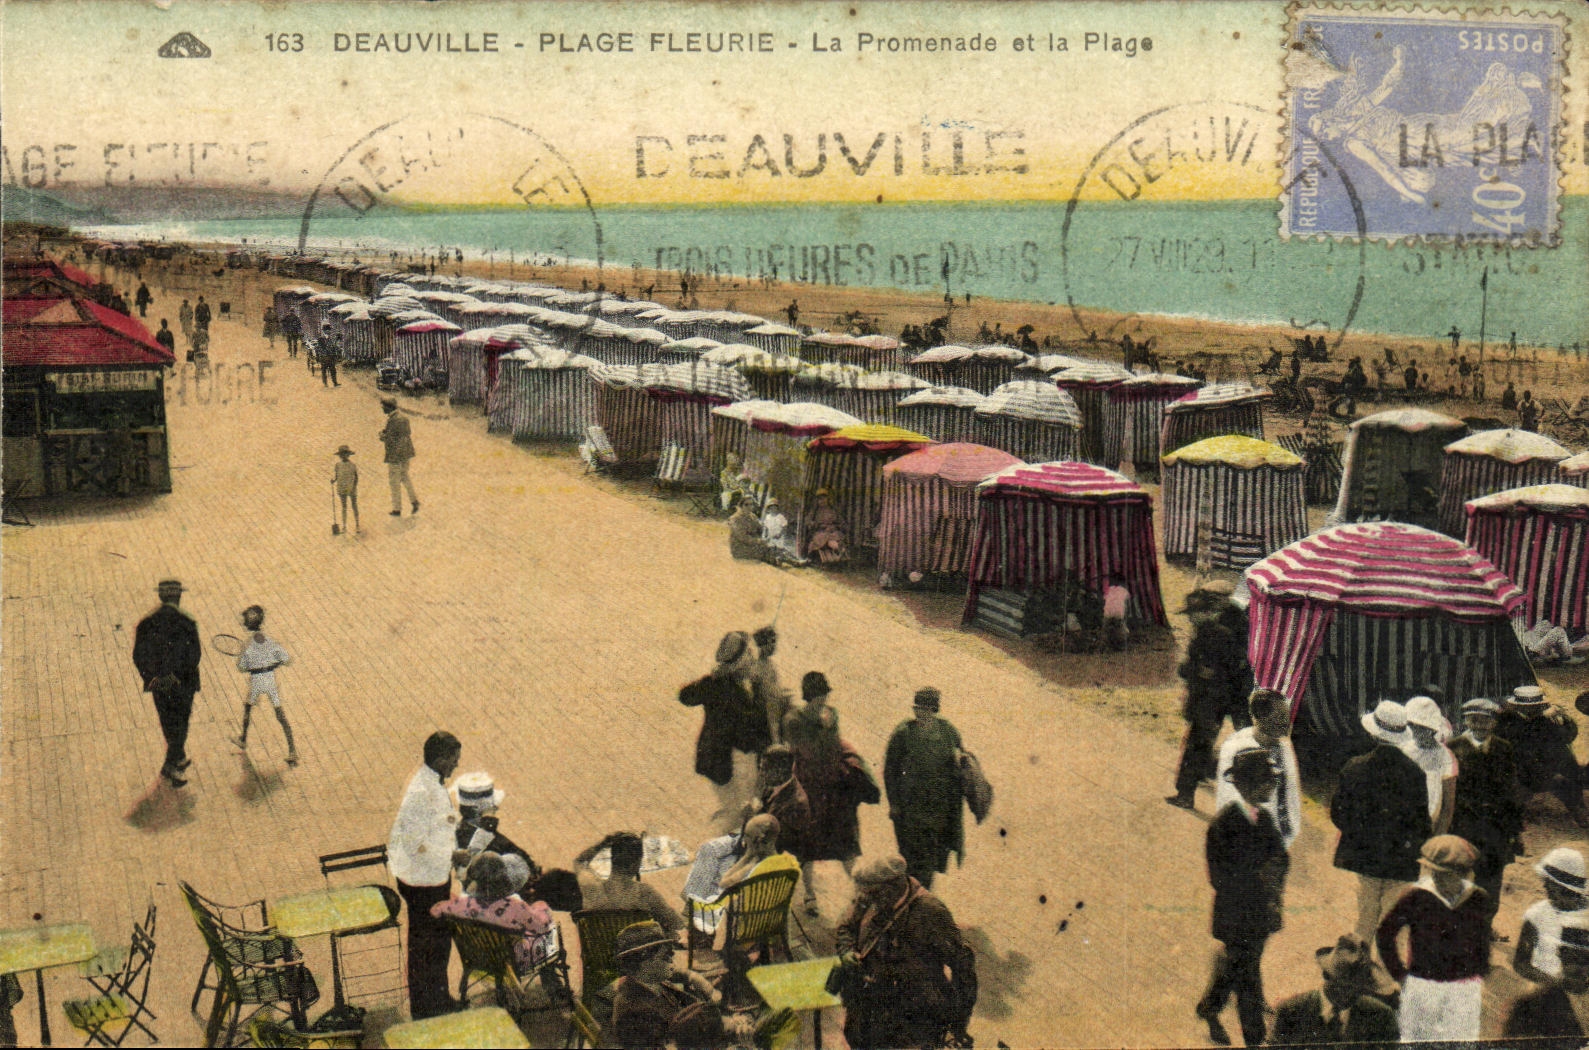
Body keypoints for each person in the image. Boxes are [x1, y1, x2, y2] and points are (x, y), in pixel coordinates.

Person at [833, 854, 976, 1050]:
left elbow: (964, 968)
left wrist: (958, 1025)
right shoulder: (870, 895)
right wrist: (847, 951)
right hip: (869, 1001)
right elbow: (845, 926)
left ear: (893, 886)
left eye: (873, 894)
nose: (866, 900)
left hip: (913, 1011)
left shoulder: (930, 911)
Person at [1195, 748, 1288, 1048]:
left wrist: (1272, 876)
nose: (1271, 787)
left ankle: (1210, 1007)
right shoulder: (1223, 825)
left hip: (1259, 915)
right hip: (1235, 916)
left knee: (1240, 967)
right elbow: (1219, 878)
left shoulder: (1264, 820)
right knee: (1247, 975)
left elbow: (1281, 858)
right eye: (1266, 782)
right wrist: (1258, 876)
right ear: (1246, 784)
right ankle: (1256, 1038)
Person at [1331, 701, 1432, 945]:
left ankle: (1360, 973)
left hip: (1365, 856)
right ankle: (1389, 979)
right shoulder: (1415, 773)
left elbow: (1338, 813)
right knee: (1393, 920)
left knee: (1365, 916)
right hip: (1400, 859)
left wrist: (1360, 835)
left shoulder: (1355, 767)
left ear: (1372, 732)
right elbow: (1422, 823)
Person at [1376, 834, 1490, 1041]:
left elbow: (1482, 941)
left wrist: (1478, 974)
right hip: (1423, 984)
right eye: (1433, 872)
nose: (1437, 878)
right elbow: (1385, 933)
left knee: (1460, 1041)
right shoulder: (1416, 895)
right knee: (1416, 1039)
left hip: (1463, 987)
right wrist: (1400, 974)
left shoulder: (1477, 898)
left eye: (1445, 874)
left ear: (1463, 874)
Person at [608, 920, 787, 1050]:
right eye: (665, 956)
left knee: (781, 1016)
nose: (673, 958)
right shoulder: (633, 1012)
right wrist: (741, 1041)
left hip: (707, 1033)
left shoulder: (649, 980)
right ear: (644, 963)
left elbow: (683, 975)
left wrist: (705, 988)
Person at [783, 672, 878, 916]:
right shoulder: (794, 720)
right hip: (809, 789)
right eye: (817, 697)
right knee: (806, 846)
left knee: (846, 842)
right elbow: (806, 751)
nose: (822, 701)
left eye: (824, 696)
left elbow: (835, 745)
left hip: (833, 790)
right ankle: (809, 894)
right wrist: (822, 729)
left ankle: (859, 892)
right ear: (809, 697)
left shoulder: (830, 714)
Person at [388, 730, 468, 1019]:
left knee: (435, 943)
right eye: (453, 760)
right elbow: (414, 844)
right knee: (428, 946)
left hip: (429, 877)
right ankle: (429, 1006)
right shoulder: (422, 792)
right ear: (439, 759)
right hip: (422, 882)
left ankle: (435, 999)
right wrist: (451, 856)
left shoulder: (429, 783)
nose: (456, 766)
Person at [1167, 582, 1255, 810]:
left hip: (1210, 699)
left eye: (1192, 615)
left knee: (1197, 744)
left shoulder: (1211, 634)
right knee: (1204, 742)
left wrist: (1190, 671)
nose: (1190, 620)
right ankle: (1207, 772)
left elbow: (1195, 670)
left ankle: (1185, 793)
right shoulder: (1235, 624)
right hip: (1226, 696)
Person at [680, 631, 769, 830]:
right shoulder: (731, 691)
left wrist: (711, 677)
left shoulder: (719, 684)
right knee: (737, 815)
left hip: (717, 760)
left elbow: (685, 695)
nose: (753, 660)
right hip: (733, 761)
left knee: (734, 810)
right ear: (742, 662)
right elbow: (751, 728)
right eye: (750, 656)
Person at [1448, 697, 1523, 928]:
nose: (1480, 726)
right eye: (1474, 720)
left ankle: (1484, 926)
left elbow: (1512, 791)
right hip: (1463, 826)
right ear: (1466, 722)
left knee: (1491, 880)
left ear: (1494, 723)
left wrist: (1515, 830)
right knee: (1458, 877)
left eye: (1485, 721)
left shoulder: (1504, 748)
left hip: (1495, 829)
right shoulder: (1453, 747)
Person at [883, 688, 966, 889]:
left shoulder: (948, 732)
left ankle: (921, 898)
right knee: (909, 857)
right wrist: (894, 803)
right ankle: (909, 895)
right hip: (909, 808)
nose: (920, 714)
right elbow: (890, 771)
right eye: (917, 709)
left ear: (933, 710)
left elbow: (961, 764)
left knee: (930, 860)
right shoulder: (904, 733)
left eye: (925, 709)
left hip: (937, 809)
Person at [431, 851, 556, 978]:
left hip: (479, 958)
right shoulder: (516, 906)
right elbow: (540, 927)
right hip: (513, 961)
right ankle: (551, 981)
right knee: (543, 922)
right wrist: (542, 912)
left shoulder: (464, 904)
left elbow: (436, 910)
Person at [1268, 934, 1400, 1045]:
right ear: (1326, 976)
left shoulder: (1381, 1017)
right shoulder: (1289, 1013)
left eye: (1358, 987)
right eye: (1345, 986)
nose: (1351, 994)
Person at [132, 578, 202, 788]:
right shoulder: (186, 621)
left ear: (161, 596)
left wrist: (152, 677)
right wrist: (176, 677)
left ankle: (175, 759)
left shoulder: (147, 622)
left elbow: (139, 655)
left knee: (168, 721)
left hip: (159, 684)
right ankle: (174, 765)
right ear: (178, 596)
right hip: (183, 683)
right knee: (181, 723)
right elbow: (194, 655)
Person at [1211, 690, 1302, 852]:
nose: (1286, 723)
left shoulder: (1285, 749)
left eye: (1286, 716)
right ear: (1260, 717)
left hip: (1276, 840)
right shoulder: (1236, 748)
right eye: (1280, 717)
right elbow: (1229, 801)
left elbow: (1291, 796)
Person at [1496, 684, 1588, 826]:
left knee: (1568, 764)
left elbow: (1567, 737)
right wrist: (1541, 718)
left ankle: (1579, 810)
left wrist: (1565, 721)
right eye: (1529, 706)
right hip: (1520, 770)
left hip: (1544, 766)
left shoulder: (1544, 717)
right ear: (1517, 706)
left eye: (1536, 705)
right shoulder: (1507, 719)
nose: (1532, 709)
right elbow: (1521, 738)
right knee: (1560, 781)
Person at [575, 831, 685, 935]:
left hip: (599, 954)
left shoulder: (592, 889)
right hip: (636, 954)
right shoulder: (644, 893)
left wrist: (603, 844)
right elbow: (677, 923)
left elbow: (579, 861)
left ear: (612, 859)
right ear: (636, 863)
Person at [230, 605, 298, 766]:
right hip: (270, 679)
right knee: (280, 715)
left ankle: (243, 739)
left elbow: (241, 667)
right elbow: (287, 659)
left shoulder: (247, 645)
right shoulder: (270, 641)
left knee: (248, 708)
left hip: (256, 681)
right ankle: (292, 751)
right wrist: (276, 663)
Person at [1515, 848, 1589, 985]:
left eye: (1549, 882)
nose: (1544, 886)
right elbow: (1520, 963)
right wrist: (1553, 984)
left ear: (1562, 887)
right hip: (1544, 992)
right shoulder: (1536, 914)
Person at [1504, 925, 1589, 1045]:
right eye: (1572, 958)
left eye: (1585, 959)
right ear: (1561, 956)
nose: (1579, 967)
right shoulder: (1532, 1006)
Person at [742, 745, 809, 861]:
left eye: (764, 769)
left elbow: (773, 846)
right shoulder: (775, 786)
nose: (761, 774)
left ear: (779, 771)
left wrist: (750, 819)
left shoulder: (796, 804)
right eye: (760, 768)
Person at [1402, 696, 1457, 836]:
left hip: (1432, 813)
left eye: (1423, 728)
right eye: (1412, 726)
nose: (1416, 732)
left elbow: (1448, 803)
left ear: (1432, 730)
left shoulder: (1444, 756)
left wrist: (1439, 834)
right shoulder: (1404, 749)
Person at [748, 626, 792, 745]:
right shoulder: (757, 666)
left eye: (775, 641)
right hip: (765, 707)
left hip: (774, 702)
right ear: (762, 645)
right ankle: (776, 741)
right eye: (771, 642)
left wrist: (783, 693)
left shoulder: (769, 664)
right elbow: (760, 689)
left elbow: (774, 686)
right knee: (774, 708)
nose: (774, 645)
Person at [379, 398, 420, 517]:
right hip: (406, 453)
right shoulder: (403, 418)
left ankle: (397, 509)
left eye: (384, 407)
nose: (382, 409)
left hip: (395, 455)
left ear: (389, 407)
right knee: (405, 477)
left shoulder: (393, 420)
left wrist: (382, 436)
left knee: (394, 482)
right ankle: (414, 501)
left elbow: (390, 438)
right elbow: (406, 434)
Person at [804, 488, 847, 565]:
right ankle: (834, 551)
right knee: (822, 538)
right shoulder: (815, 510)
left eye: (824, 498)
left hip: (832, 531)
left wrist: (835, 526)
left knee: (834, 538)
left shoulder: (833, 510)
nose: (822, 501)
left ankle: (838, 552)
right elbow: (807, 521)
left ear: (828, 499)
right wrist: (814, 524)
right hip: (820, 531)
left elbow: (841, 522)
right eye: (820, 499)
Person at [332, 445, 359, 534]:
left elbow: (356, 478)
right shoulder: (338, 465)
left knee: (354, 506)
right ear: (340, 456)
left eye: (345, 454)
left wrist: (354, 487)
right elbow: (337, 476)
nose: (344, 456)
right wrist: (333, 481)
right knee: (344, 507)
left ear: (348, 455)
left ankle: (357, 524)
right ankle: (344, 526)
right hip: (342, 487)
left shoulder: (352, 465)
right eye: (342, 455)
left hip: (351, 488)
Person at [1101, 575, 1130, 651]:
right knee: (1120, 629)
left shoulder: (1109, 589)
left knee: (1106, 630)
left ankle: (1105, 646)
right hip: (1119, 614)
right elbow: (1127, 604)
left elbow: (1104, 600)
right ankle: (1121, 646)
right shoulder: (1124, 591)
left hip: (1107, 613)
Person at [318, 323, 342, 387]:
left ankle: (335, 383)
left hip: (331, 356)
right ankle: (325, 383)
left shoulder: (331, 339)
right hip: (324, 357)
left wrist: (335, 354)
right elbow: (320, 348)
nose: (329, 331)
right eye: (327, 330)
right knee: (324, 370)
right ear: (324, 331)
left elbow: (334, 347)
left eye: (329, 330)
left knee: (333, 370)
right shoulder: (320, 339)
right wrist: (323, 354)